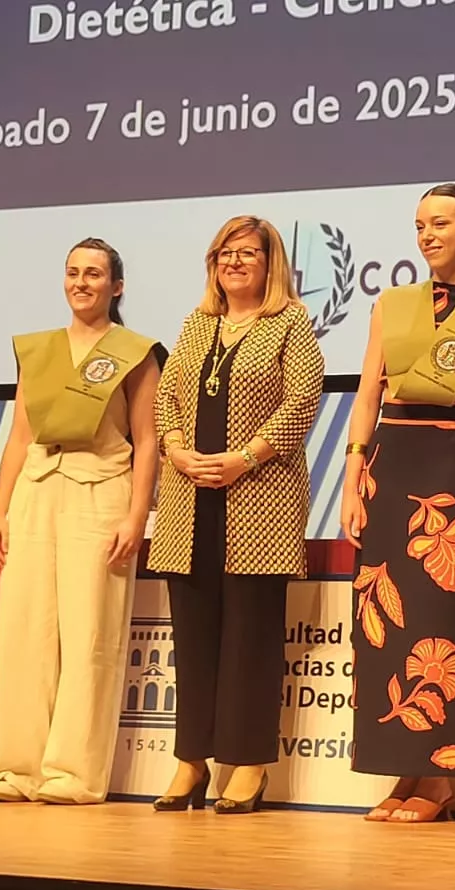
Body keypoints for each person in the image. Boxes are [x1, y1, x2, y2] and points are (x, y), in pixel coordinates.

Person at [340, 184, 455, 823]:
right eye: (420, 224)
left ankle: (440, 781)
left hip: (454, 475)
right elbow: (368, 395)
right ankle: (402, 772)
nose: (427, 234)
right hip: (386, 475)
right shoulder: (390, 307)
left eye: (441, 222)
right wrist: (350, 475)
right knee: (384, 624)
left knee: (439, 623)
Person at [148, 215, 325, 815]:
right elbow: (167, 399)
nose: (234, 262)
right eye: (225, 252)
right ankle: (190, 761)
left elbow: (303, 402)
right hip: (187, 500)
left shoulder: (290, 325)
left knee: (249, 638)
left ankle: (247, 764)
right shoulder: (197, 324)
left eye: (247, 252)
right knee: (193, 637)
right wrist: (174, 448)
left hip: (259, 501)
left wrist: (244, 458)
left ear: (270, 261)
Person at [0, 237, 163, 805]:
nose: (81, 282)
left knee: (90, 637)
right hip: (37, 492)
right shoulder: (38, 350)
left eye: (94, 273)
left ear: (117, 285)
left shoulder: (136, 351)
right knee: (23, 634)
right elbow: (19, 436)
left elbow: (148, 440)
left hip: (100, 493)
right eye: (73, 272)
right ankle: (14, 769)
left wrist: (137, 515)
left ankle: (73, 774)